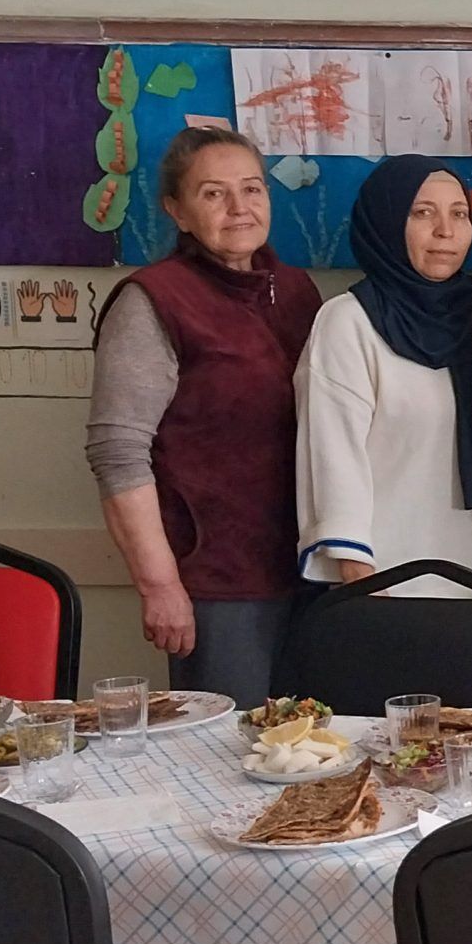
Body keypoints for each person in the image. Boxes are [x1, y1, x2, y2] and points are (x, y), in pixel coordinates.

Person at [86, 124, 321, 704]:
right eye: (214, 193)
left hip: (310, 571)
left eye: (252, 188)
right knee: (229, 747)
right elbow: (117, 452)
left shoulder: (297, 293)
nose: (239, 207)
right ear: (178, 211)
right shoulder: (154, 299)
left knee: (317, 743)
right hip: (217, 584)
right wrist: (159, 584)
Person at [294, 154, 472, 591]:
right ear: (386, 221)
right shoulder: (349, 322)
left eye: (459, 214)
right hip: (385, 574)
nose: (445, 231)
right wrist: (359, 576)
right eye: (422, 213)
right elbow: (334, 455)